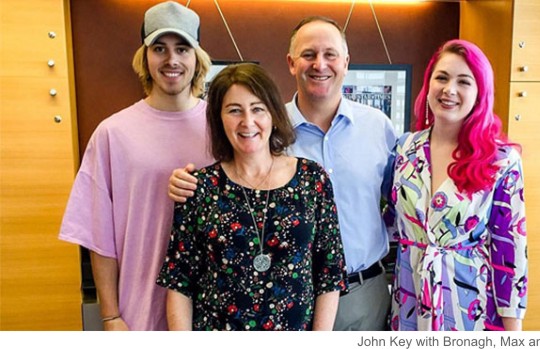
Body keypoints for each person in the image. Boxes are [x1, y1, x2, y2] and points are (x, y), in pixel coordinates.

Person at [168, 16, 396, 330]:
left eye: (330, 54)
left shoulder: (377, 127)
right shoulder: (265, 132)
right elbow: (183, 275)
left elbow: (399, 203)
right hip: (253, 317)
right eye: (308, 54)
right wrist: (182, 181)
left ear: (346, 61)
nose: (320, 64)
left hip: (364, 291)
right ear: (291, 63)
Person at [58, 1, 213, 330]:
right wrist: (111, 315)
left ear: (197, 58)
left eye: (182, 49)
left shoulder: (223, 130)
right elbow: (99, 236)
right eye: (159, 48)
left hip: (211, 313)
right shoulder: (113, 134)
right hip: (137, 314)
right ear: (145, 56)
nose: (171, 60)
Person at [156, 63, 346, 331]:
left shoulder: (311, 179)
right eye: (234, 110)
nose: (247, 122)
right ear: (219, 118)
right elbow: (180, 281)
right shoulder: (200, 188)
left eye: (258, 108)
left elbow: (329, 272)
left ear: (273, 114)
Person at [385, 39, 528, 331]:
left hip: (470, 309)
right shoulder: (404, 149)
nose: (449, 90)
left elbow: (510, 250)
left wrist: (514, 333)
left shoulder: (501, 159)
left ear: (480, 94)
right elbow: (388, 220)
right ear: (428, 85)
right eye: (442, 77)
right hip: (409, 301)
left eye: (464, 81)